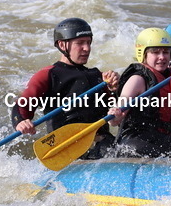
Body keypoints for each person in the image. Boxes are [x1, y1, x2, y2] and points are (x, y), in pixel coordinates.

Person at [11, 18, 120, 158]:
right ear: (62, 45)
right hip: (67, 147)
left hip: (103, 144)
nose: (86, 48)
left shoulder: (97, 75)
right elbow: (21, 106)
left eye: (88, 42)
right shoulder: (48, 75)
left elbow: (114, 112)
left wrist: (113, 89)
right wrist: (21, 121)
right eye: (80, 43)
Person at [108, 28, 171, 157]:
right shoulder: (137, 79)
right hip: (137, 140)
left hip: (163, 137)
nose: (162, 57)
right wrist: (115, 115)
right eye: (155, 52)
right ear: (143, 54)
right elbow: (117, 116)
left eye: (166, 52)